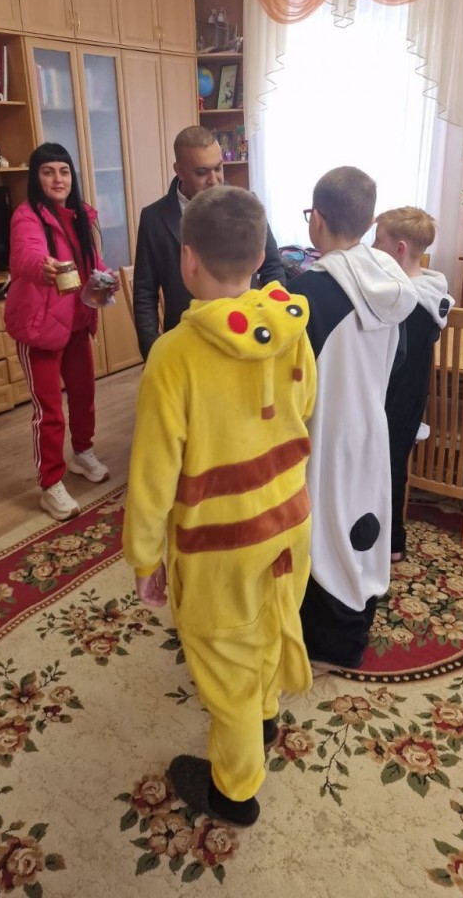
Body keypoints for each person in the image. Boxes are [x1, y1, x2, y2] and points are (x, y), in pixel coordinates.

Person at [123, 185, 316, 826]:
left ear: (187, 260)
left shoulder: (173, 355)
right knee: (268, 622)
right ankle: (265, 718)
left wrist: (145, 557)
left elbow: (153, 475)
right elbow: (305, 406)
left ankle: (234, 792)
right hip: (291, 521)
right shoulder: (291, 329)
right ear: (260, 257)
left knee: (225, 660)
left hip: (219, 546)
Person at [290, 167, 417, 670]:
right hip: (371, 424)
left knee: (324, 530)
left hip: (324, 432)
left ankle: (326, 643)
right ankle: (355, 624)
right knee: (362, 524)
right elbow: (400, 360)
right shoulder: (392, 281)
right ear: (367, 223)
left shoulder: (306, 293)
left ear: (317, 220)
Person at [4, 143, 119, 521]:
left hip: (77, 323)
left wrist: (106, 278)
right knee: (49, 411)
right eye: (48, 171)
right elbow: (25, 254)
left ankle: (82, 453)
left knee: (84, 395)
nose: (58, 179)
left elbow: (92, 261)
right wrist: (43, 267)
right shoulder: (26, 216)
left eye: (64, 171)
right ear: (36, 178)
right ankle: (50, 483)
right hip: (39, 328)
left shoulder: (81, 214)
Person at [132, 125, 285, 360]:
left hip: (248, 339)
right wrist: (153, 353)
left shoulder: (246, 204)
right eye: (202, 172)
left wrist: (275, 321)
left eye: (218, 168)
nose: (214, 180)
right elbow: (144, 292)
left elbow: (272, 266)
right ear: (179, 171)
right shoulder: (154, 218)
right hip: (185, 347)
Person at [372, 207, 453, 563]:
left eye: (378, 241)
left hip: (396, 398)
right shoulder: (430, 290)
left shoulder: (407, 302)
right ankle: (390, 538)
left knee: (389, 467)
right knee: (392, 464)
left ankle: (392, 541)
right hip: (410, 396)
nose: (373, 247)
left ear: (400, 249)